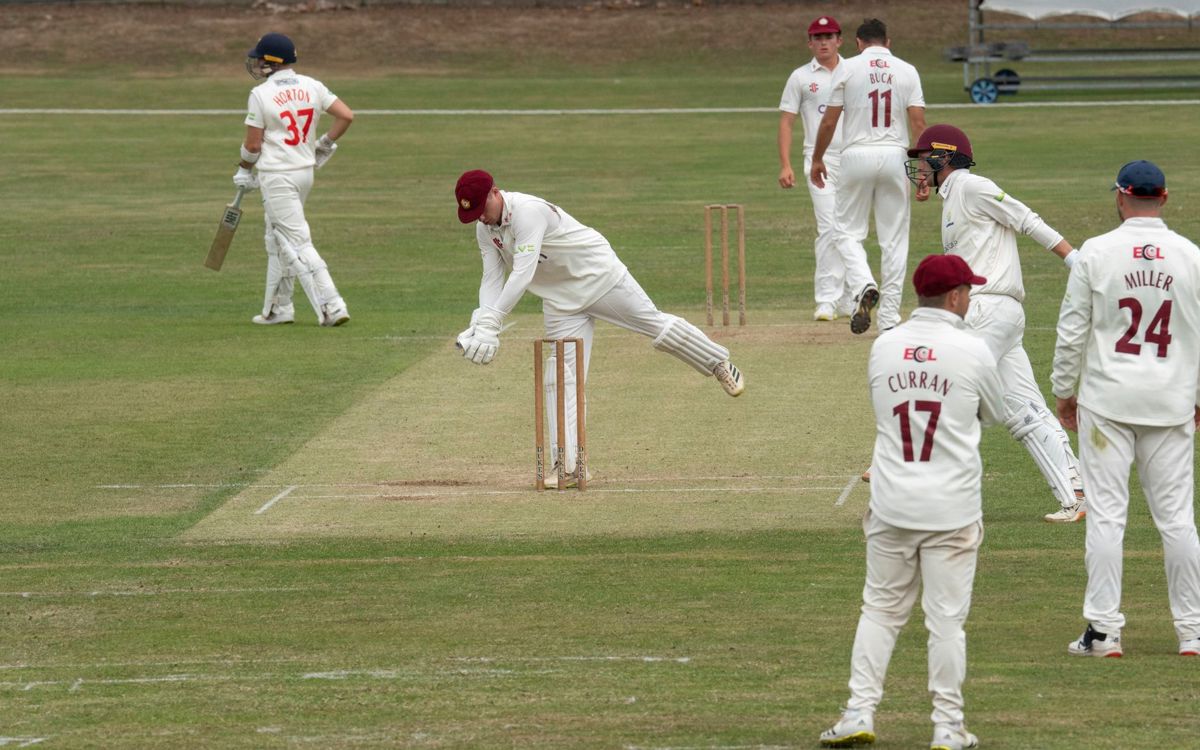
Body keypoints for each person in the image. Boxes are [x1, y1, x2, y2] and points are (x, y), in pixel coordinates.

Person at [453, 169, 745, 486]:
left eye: (482, 207)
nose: (480, 217)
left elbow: (522, 274)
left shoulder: (527, 212)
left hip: (600, 277)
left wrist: (493, 320)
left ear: (496, 192)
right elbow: (491, 278)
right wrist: (484, 320)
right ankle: (568, 465)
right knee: (560, 375)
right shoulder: (485, 230)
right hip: (560, 300)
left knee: (654, 324)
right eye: (473, 213)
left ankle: (717, 362)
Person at [820, 254, 1003, 750]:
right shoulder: (974, 350)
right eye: (968, 290)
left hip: (893, 502)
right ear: (956, 296)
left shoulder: (884, 346)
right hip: (952, 508)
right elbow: (996, 413)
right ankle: (947, 727)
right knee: (945, 621)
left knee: (880, 610)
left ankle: (859, 711)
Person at [1051, 160, 1200, 658]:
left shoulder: (1096, 252)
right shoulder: (1190, 256)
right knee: (1177, 520)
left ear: (1120, 196)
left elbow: (1072, 329)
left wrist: (1063, 392)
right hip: (1170, 401)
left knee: (1108, 518)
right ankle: (1192, 632)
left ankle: (1103, 632)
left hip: (1107, 402)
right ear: (1164, 197)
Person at [906, 124, 1086, 524]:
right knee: (1023, 410)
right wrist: (928, 189)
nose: (918, 168)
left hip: (987, 308)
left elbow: (1026, 218)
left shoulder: (972, 186)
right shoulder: (953, 196)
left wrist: (1077, 262)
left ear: (945, 157)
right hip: (995, 313)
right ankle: (1078, 491)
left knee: (948, 382)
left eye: (923, 160)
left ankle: (907, 473)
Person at [810, 18, 926, 335]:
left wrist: (818, 158)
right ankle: (889, 319)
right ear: (887, 43)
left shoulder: (846, 68)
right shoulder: (907, 70)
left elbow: (830, 123)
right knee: (895, 240)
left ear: (858, 43)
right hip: (895, 156)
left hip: (855, 156)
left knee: (846, 232)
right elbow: (918, 124)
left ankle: (863, 283)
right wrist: (925, 170)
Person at [235, 32, 353, 327]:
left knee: (297, 241)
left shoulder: (261, 94)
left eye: (261, 59)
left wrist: (244, 171)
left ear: (271, 63)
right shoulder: (311, 85)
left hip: (277, 177)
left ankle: (332, 304)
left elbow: (252, 145)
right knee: (276, 239)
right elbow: (346, 115)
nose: (257, 63)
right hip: (304, 173)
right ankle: (278, 308)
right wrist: (323, 144)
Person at [777, 15, 854, 322]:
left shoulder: (854, 71)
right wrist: (785, 164)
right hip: (818, 161)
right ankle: (826, 300)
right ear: (810, 43)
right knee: (829, 227)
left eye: (830, 36)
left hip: (855, 158)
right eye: (818, 37)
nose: (824, 42)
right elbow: (786, 121)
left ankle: (851, 297)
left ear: (840, 40)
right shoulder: (799, 77)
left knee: (851, 228)